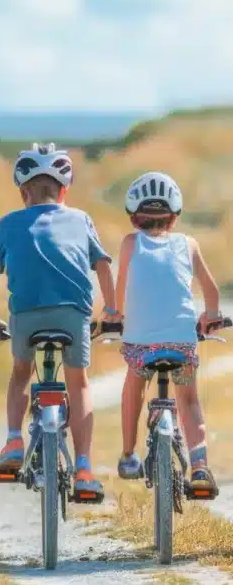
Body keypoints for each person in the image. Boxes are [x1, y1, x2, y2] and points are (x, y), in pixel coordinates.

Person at [0, 143, 118, 500]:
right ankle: (84, 466)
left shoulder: (8, 223)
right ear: (64, 190)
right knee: (79, 384)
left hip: (26, 314)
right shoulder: (81, 219)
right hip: (73, 314)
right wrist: (112, 311)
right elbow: (102, 265)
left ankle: (13, 441)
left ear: (23, 192)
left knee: (21, 374)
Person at [115, 171, 221, 497]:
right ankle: (200, 465)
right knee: (188, 401)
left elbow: (119, 296)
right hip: (181, 345)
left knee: (134, 386)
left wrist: (114, 318)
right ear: (175, 216)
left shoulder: (130, 244)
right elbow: (212, 293)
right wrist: (210, 317)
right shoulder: (188, 244)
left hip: (140, 347)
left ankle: (129, 455)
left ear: (134, 217)